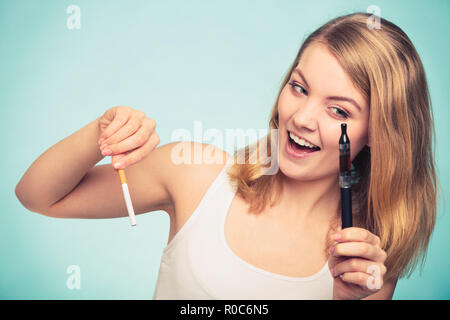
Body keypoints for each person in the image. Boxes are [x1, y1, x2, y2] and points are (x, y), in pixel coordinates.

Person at [15, 12, 439, 300]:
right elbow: (38, 196)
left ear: (380, 134)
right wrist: (100, 133)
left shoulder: (364, 261)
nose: (303, 118)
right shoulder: (196, 174)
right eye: (299, 87)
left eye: (339, 110)